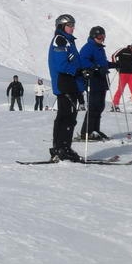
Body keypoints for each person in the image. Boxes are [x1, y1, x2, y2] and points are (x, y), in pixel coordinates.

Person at [47, 13, 84, 161]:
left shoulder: (68, 41)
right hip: (64, 83)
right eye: (70, 25)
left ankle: (61, 148)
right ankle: (62, 148)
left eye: (73, 25)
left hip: (71, 83)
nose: (73, 28)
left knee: (67, 116)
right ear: (62, 26)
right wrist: (78, 70)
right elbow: (61, 64)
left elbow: (74, 62)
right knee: (67, 117)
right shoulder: (60, 40)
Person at [78, 25, 111, 140]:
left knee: (100, 106)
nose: (101, 38)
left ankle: (95, 130)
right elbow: (83, 60)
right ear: (93, 36)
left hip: (101, 80)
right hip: (93, 79)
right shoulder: (88, 47)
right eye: (99, 36)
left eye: (103, 36)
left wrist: (112, 65)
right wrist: (96, 67)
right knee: (93, 106)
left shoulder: (99, 48)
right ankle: (86, 132)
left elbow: (102, 62)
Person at [111, 40, 132, 112]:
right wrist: (116, 65)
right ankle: (115, 105)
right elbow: (114, 55)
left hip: (131, 74)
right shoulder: (123, 50)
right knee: (120, 90)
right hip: (123, 73)